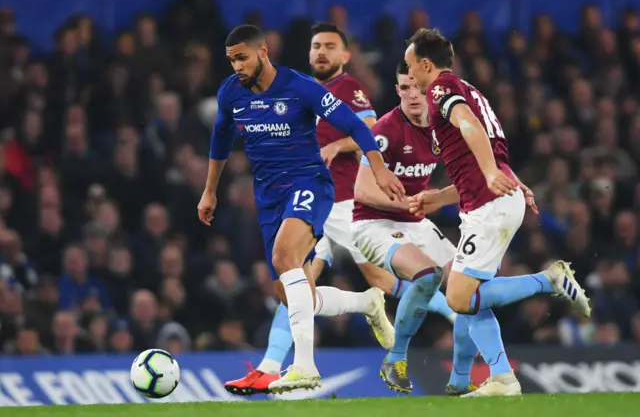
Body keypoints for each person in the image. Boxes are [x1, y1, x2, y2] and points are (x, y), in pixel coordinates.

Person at [223, 25, 455, 396]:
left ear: (345, 56)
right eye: (316, 46)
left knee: (377, 278)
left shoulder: (349, 89)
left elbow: (368, 128)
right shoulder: (301, 89)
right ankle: (275, 362)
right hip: (310, 202)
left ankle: (452, 311)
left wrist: (337, 147)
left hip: (343, 201)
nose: (321, 52)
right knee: (294, 288)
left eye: (330, 47)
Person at [404, 28, 591, 397]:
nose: (409, 75)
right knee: (470, 295)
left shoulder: (440, 90)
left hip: (489, 205)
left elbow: (471, 129)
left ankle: (548, 280)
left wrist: (492, 173)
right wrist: (439, 198)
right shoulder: (470, 89)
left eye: (410, 67)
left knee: (458, 297)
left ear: (426, 64)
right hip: (494, 199)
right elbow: (478, 155)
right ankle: (498, 377)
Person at [350, 61, 460, 393]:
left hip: (417, 221)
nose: (413, 95)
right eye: (405, 88)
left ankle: (478, 377)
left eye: (419, 88)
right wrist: (409, 203)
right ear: (397, 90)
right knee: (428, 275)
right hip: (375, 223)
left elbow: (467, 175)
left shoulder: (444, 127)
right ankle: (395, 359)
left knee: (471, 289)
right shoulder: (384, 131)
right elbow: (363, 190)